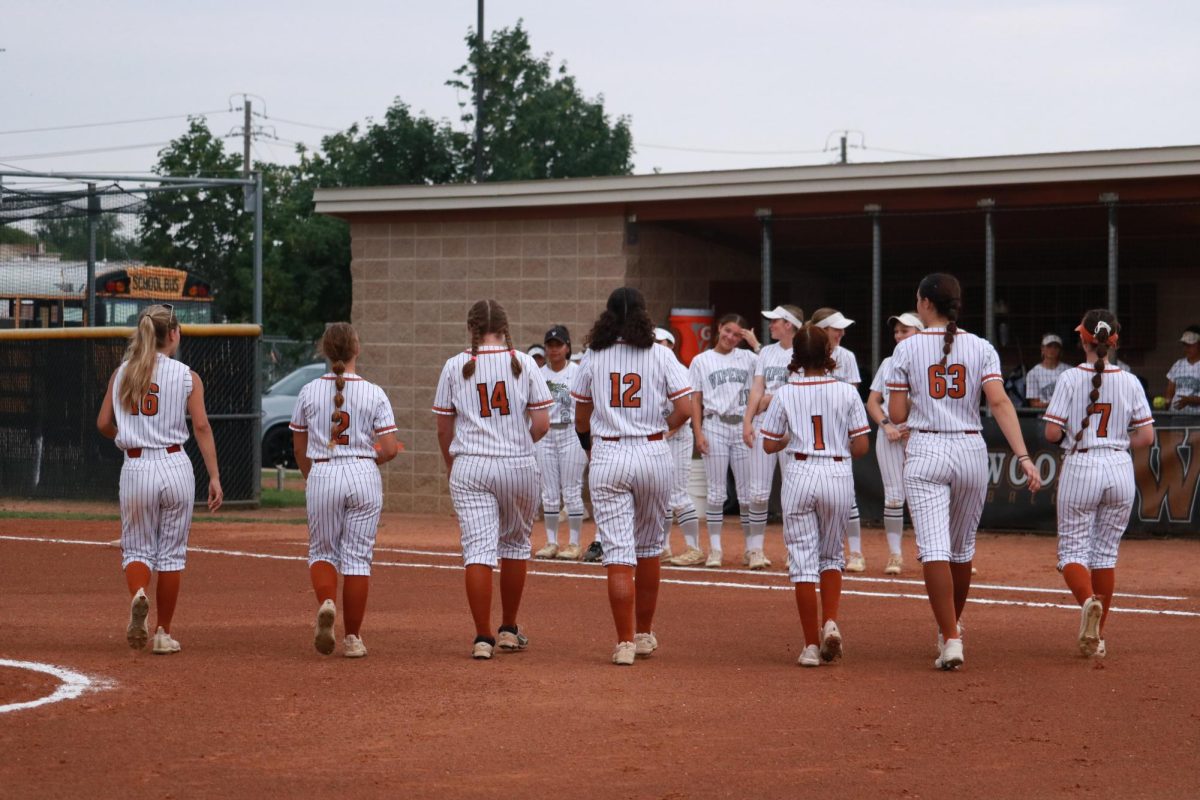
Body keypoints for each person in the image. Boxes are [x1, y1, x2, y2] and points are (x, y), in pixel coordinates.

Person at [887, 273, 1040, 671]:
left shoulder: (905, 349)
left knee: (934, 550)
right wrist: (1023, 457)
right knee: (962, 550)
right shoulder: (981, 346)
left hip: (926, 447)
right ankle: (949, 631)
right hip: (971, 447)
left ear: (924, 303)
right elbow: (1000, 403)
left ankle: (951, 637)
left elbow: (898, 415)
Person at [571, 287, 692, 665]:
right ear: (643, 314)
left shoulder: (593, 355)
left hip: (609, 450)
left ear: (607, 316)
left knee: (618, 553)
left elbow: (580, 415)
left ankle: (623, 643)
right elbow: (686, 406)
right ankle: (643, 634)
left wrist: (591, 446)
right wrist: (663, 428)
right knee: (650, 547)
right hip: (653, 450)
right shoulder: (661, 352)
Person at [96, 304, 223, 655]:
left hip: (136, 467)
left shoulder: (122, 373)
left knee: (136, 548)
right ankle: (163, 633)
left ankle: (139, 594)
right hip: (174, 465)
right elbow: (200, 426)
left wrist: (130, 431)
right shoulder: (186, 375)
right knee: (170, 556)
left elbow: (104, 423)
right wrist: (214, 475)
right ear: (174, 334)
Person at [435, 300, 553, 660]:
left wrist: (451, 464)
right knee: (516, 545)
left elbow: (443, 427)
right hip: (517, 464)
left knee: (478, 550)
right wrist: (516, 444)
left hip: (471, 464)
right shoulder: (525, 364)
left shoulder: (456, 365)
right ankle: (508, 629)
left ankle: (482, 637)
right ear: (505, 327)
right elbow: (543, 423)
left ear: (471, 327)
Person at [1042, 310, 1154, 658]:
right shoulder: (1131, 381)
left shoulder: (1070, 378)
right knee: (1105, 555)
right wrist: (1117, 443)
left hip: (1082, 464)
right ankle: (1098, 638)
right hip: (1119, 467)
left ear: (1083, 339)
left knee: (1072, 553)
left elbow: (1051, 432)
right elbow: (1147, 436)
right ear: (1114, 340)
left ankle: (1088, 601)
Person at [761, 325, 871, 667]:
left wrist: (790, 441)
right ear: (829, 354)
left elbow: (768, 443)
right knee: (832, 555)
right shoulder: (847, 393)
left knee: (803, 562)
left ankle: (810, 645)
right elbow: (862, 446)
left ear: (796, 356)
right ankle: (831, 622)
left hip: (800, 472)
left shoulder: (785, 392)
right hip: (837, 472)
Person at [290, 323, 400, 658]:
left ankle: (326, 601)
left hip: (323, 470)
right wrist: (367, 460)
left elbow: (299, 447)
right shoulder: (374, 392)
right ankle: (353, 638)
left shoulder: (308, 391)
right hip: (363, 473)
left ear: (325, 350)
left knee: (322, 552)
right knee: (358, 559)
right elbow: (390, 448)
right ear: (357, 349)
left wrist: (313, 476)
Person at [689, 313, 759, 568]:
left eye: (737, 334)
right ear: (719, 328)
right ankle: (715, 549)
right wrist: (698, 432)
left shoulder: (750, 358)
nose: (731, 337)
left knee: (747, 494)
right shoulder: (701, 360)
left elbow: (776, 369)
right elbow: (695, 399)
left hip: (742, 426)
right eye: (728, 331)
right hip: (715, 425)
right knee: (716, 493)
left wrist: (754, 343)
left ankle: (752, 549)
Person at [740, 304, 805, 570]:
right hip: (763, 422)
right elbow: (757, 389)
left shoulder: (804, 350)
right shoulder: (766, 352)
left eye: (775, 321)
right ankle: (755, 550)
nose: (771, 325)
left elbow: (803, 389)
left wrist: (772, 397)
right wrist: (747, 420)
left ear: (789, 324)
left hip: (794, 427)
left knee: (793, 493)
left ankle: (794, 550)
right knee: (758, 492)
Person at [865, 312, 923, 575]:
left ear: (920, 333)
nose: (899, 336)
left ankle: (933, 553)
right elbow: (873, 401)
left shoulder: (931, 361)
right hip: (890, 436)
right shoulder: (888, 362)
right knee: (894, 497)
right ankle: (895, 555)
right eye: (897, 331)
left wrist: (917, 425)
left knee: (925, 498)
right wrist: (886, 424)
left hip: (920, 436)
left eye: (905, 331)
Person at [810, 307, 866, 572]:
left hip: (839, 436)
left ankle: (855, 553)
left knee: (846, 496)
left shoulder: (847, 357)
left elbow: (853, 398)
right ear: (821, 330)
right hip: (810, 437)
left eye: (842, 328)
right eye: (836, 328)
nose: (841, 333)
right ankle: (811, 550)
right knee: (809, 498)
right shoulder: (802, 355)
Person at [530, 325, 589, 560]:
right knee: (549, 492)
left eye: (558, 345)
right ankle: (551, 541)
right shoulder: (538, 374)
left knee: (572, 490)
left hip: (571, 433)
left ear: (567, 348)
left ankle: (574, 543)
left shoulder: (577, 373)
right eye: (550, 345)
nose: (554, 350)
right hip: (545, 434)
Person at [654, 327, 701, 565]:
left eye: (660, 342)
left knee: (678, 495)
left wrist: (663, 434)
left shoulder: (680, 370)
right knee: (661, 496)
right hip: (661, 436)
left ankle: (694, 548)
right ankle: (663, 547)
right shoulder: (650, 369)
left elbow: (685, 412)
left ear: (671, 345)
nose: (655, 345)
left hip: (678, 436)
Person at [1024, 333, 1070, 409]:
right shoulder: (1033, 373)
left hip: (1065, 416)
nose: (1052, 350)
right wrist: (1055, 404)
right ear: (1042, 348)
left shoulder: (1068, 371)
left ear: (1060, 350)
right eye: (1049, 346)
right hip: (1044, 416)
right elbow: (1034, 404)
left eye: (1056, 347)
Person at [1165, 326, 1200, 414]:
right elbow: (1170, 389)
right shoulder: (1178, 364)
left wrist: (1189, 400)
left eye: (1190, 345)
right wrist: (1167, 402)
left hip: (1196, 417)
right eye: (1184, 345)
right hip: (1175, 415)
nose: (1186, 349)